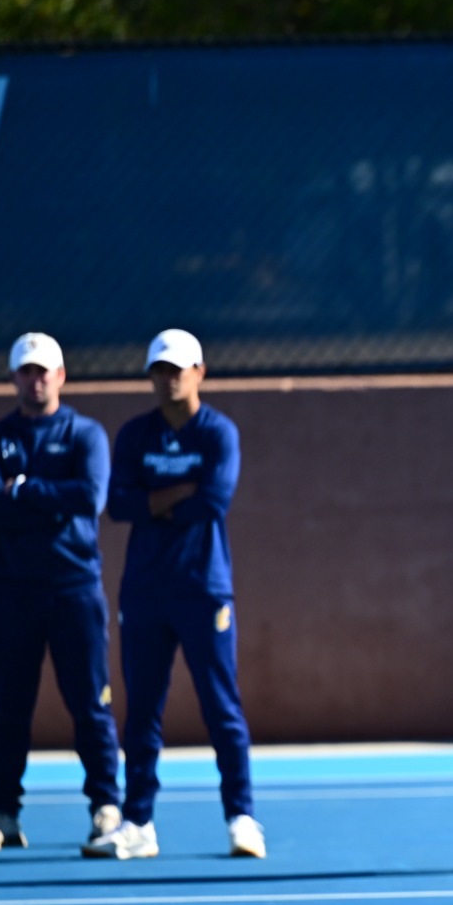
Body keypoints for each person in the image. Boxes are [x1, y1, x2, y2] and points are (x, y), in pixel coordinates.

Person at [91, 329, 263, 861]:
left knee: (221, 705)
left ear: (199, 373)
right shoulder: (134, 435)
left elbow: (213, 500)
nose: (168, 379)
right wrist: (176, 494)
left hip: (203, 590)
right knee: (142, 710)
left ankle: (241, 817)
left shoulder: (218, 432)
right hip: (145, 591)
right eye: (160, 370)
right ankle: (138, 822)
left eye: (178, 369)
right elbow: (119, 504)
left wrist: (155, 500)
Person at [0, 332, 122, 853]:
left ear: (61, 376)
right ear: (14, 377)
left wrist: (25, 489)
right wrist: (50, 500)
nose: (35, 380)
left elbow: (90, 497)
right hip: (10, 593)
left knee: (90, 705)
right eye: (26, 371)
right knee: (9, 708)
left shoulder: (85, 434)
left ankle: (105, 807)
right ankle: (2, 815)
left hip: (75, 590)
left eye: (44, 371)